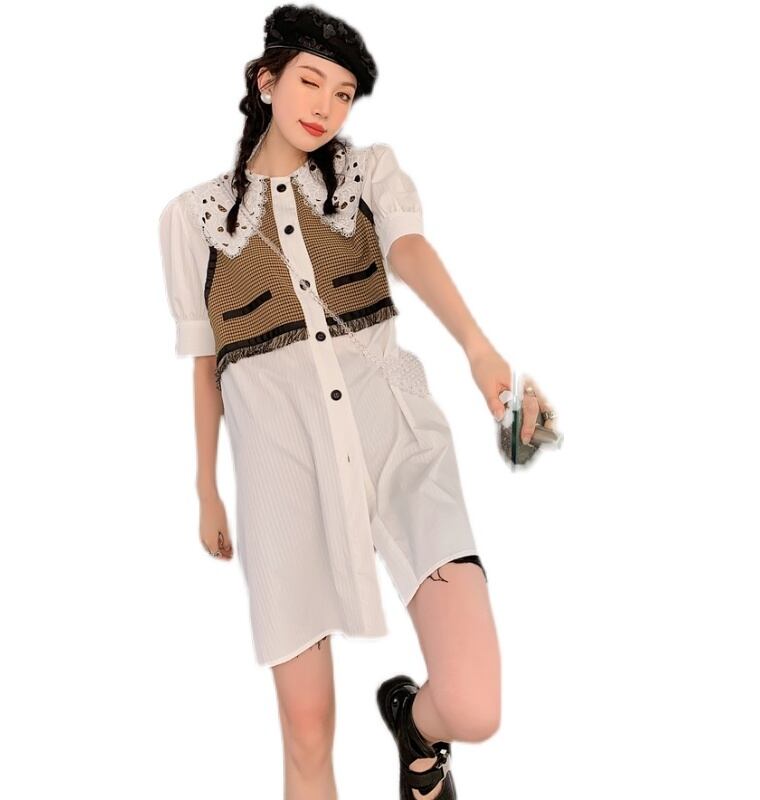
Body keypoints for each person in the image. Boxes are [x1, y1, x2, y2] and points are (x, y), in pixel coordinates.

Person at [158, 4, 557, 798]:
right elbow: (205, 364)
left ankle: (418, 727)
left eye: (343, 95)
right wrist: (206, 487)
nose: (325, 108)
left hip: (399, 440)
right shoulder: (191, 219)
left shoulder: (367, 174)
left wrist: (479, 349)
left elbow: (409, 249)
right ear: (266, 81)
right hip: (281, 472)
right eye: (311, 82)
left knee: (474, 707)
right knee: (307, 733)